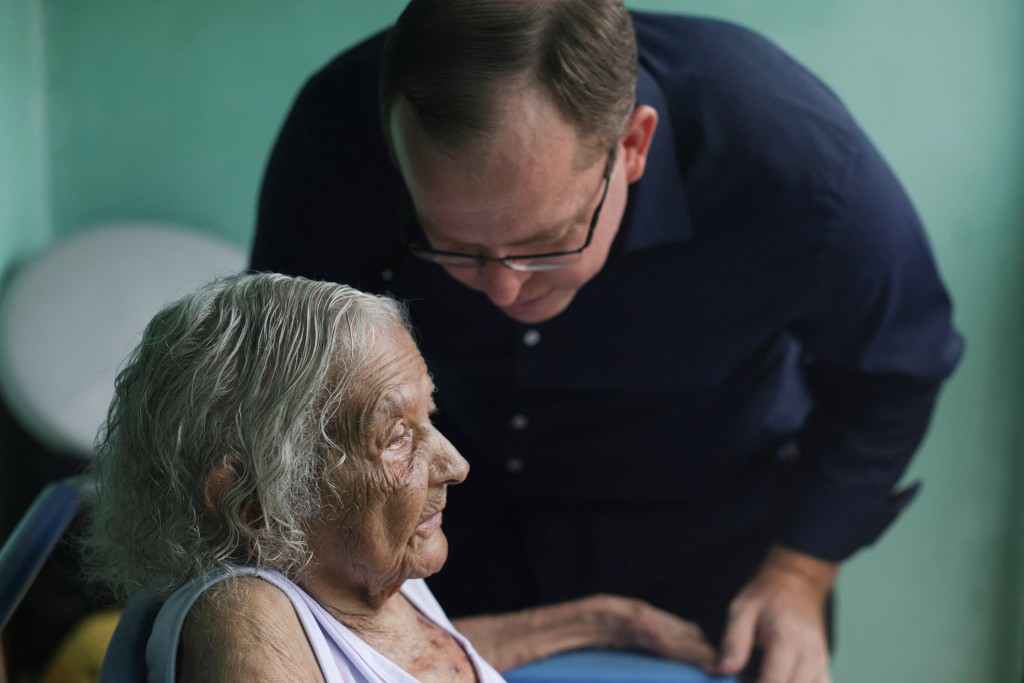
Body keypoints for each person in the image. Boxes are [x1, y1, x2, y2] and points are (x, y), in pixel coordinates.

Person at [251, 2, 964, 681]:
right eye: (454, 247)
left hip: (715, 544)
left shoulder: (793, 162)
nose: (504, 290)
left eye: (546, 241)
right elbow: (288, 384)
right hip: (442, 532)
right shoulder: (337, 131)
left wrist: (800, 572)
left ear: (632, 145)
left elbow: (896, 373)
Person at [82, 273, 505, 682]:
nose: (455, 466)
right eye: (396, 438)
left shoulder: (358, 563)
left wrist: (571, 624)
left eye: (428, 414)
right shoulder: (243, 618)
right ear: (254, 505)